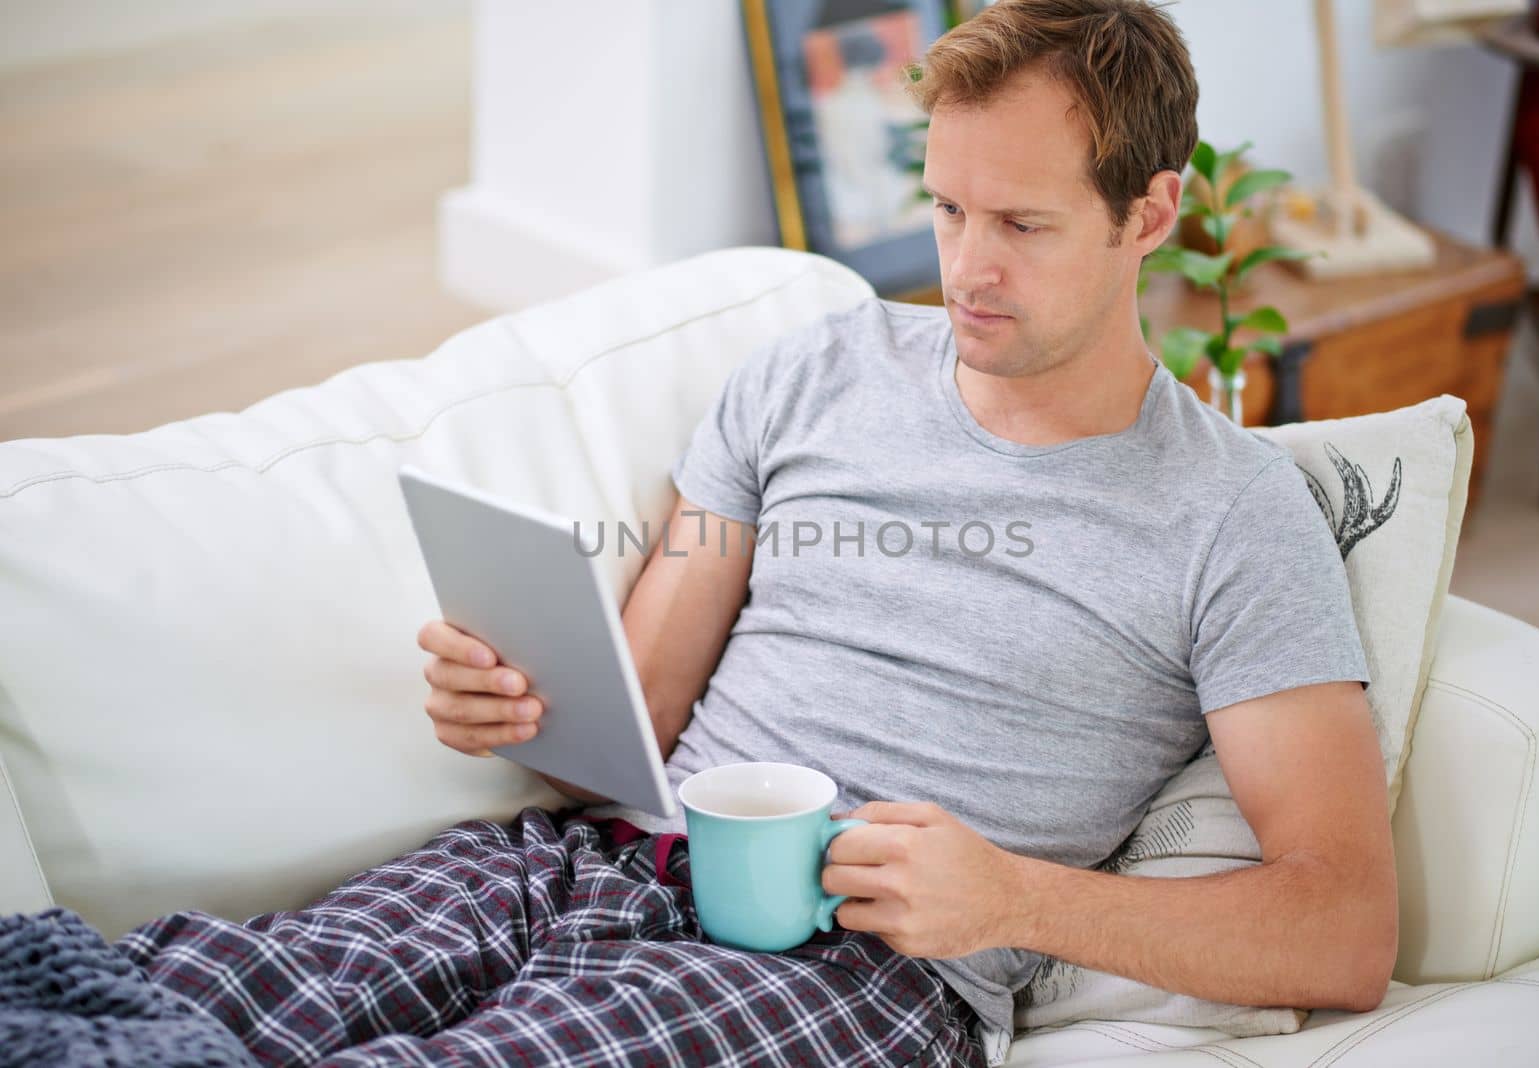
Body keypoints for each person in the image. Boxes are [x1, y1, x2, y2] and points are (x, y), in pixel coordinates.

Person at [119, 3, 1397, 1066]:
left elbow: (1343, 931)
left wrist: (1014, 899)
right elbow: (632, 731)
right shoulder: (813, 371)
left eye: (1021, 224)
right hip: (588, 864)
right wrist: (520, 709)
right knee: (172, 996)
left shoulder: (1234, 514)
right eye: (947, 209)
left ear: (1151, 215)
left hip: (854, 970)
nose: (963, 270)